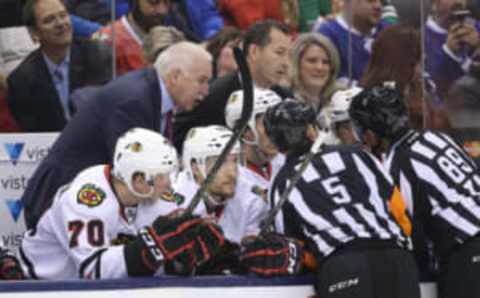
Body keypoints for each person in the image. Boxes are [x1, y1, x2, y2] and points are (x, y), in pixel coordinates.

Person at [239, 99, 420, 298]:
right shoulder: (360, 156)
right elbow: (399, 211)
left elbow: (295, 249)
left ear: (277, 142)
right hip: (397, 259)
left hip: (343, 266)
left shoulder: (282, 183)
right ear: (311, 130)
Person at [21, 41, 212, 230]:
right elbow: (137, 177)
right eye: (202, 81)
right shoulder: (134, 102)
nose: (206, 91)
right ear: (176, 76)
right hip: (59, 204)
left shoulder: (153, 94)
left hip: (88, 205)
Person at [15, 127, 224, 279]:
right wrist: (152, 248)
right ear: (138, 180)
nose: (170, 185)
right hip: (38, 285)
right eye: (163, 176)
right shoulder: (88, 197)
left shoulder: (156, 196)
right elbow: (93, 271)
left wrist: (180, 262)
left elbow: (155, 263)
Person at [348, 83, 480, 298]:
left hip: (468, 252)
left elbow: (411, 230)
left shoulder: (399, 163)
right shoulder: (437, 138)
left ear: (370, 134)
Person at [173, 19, 292, 152]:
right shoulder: (214, 95)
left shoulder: (285, 99)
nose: (286, 63)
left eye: (289, 55)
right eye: (279, 53)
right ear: (254, 52)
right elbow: (178, 140)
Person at [6, 0, 112, 132]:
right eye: (49, 20)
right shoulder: (21, 80)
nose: (61, 23)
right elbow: (32, 134)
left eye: (63, 15)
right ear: (34, 33)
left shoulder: (96, 55)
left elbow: (107, 112)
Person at [166, 125, 268, 244]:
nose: (232, 172)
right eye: (220, 162)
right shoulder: (171, 204)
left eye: (234, 161)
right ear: (195, 167)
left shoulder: (251, 198)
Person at [93, 0, 197, 76]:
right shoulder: (109, 40)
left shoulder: (171, 35)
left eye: (166, 3)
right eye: (153, 3)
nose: (162, 10)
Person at [225, 88, 284, 198]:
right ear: (245, 131)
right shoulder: (230, 179)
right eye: (268, 123)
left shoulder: (286, 162)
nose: (278, 130)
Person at [315, 0, 389, 84]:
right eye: (370, 0)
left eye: (382, 1)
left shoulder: (387, 30)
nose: (378, 6)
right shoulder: (327, 35)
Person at [425, 0, 480, 99]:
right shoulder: (420, 40)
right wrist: (449, 54)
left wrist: (477, 52)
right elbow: (435, 96)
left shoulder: (477, 29)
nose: (459, 1)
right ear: (434, 3)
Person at [290, 33, 341, 110]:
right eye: (312, 60)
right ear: (297, 64)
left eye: (326, 62)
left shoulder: (339, 100)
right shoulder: (284, 101)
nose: (319, 67)